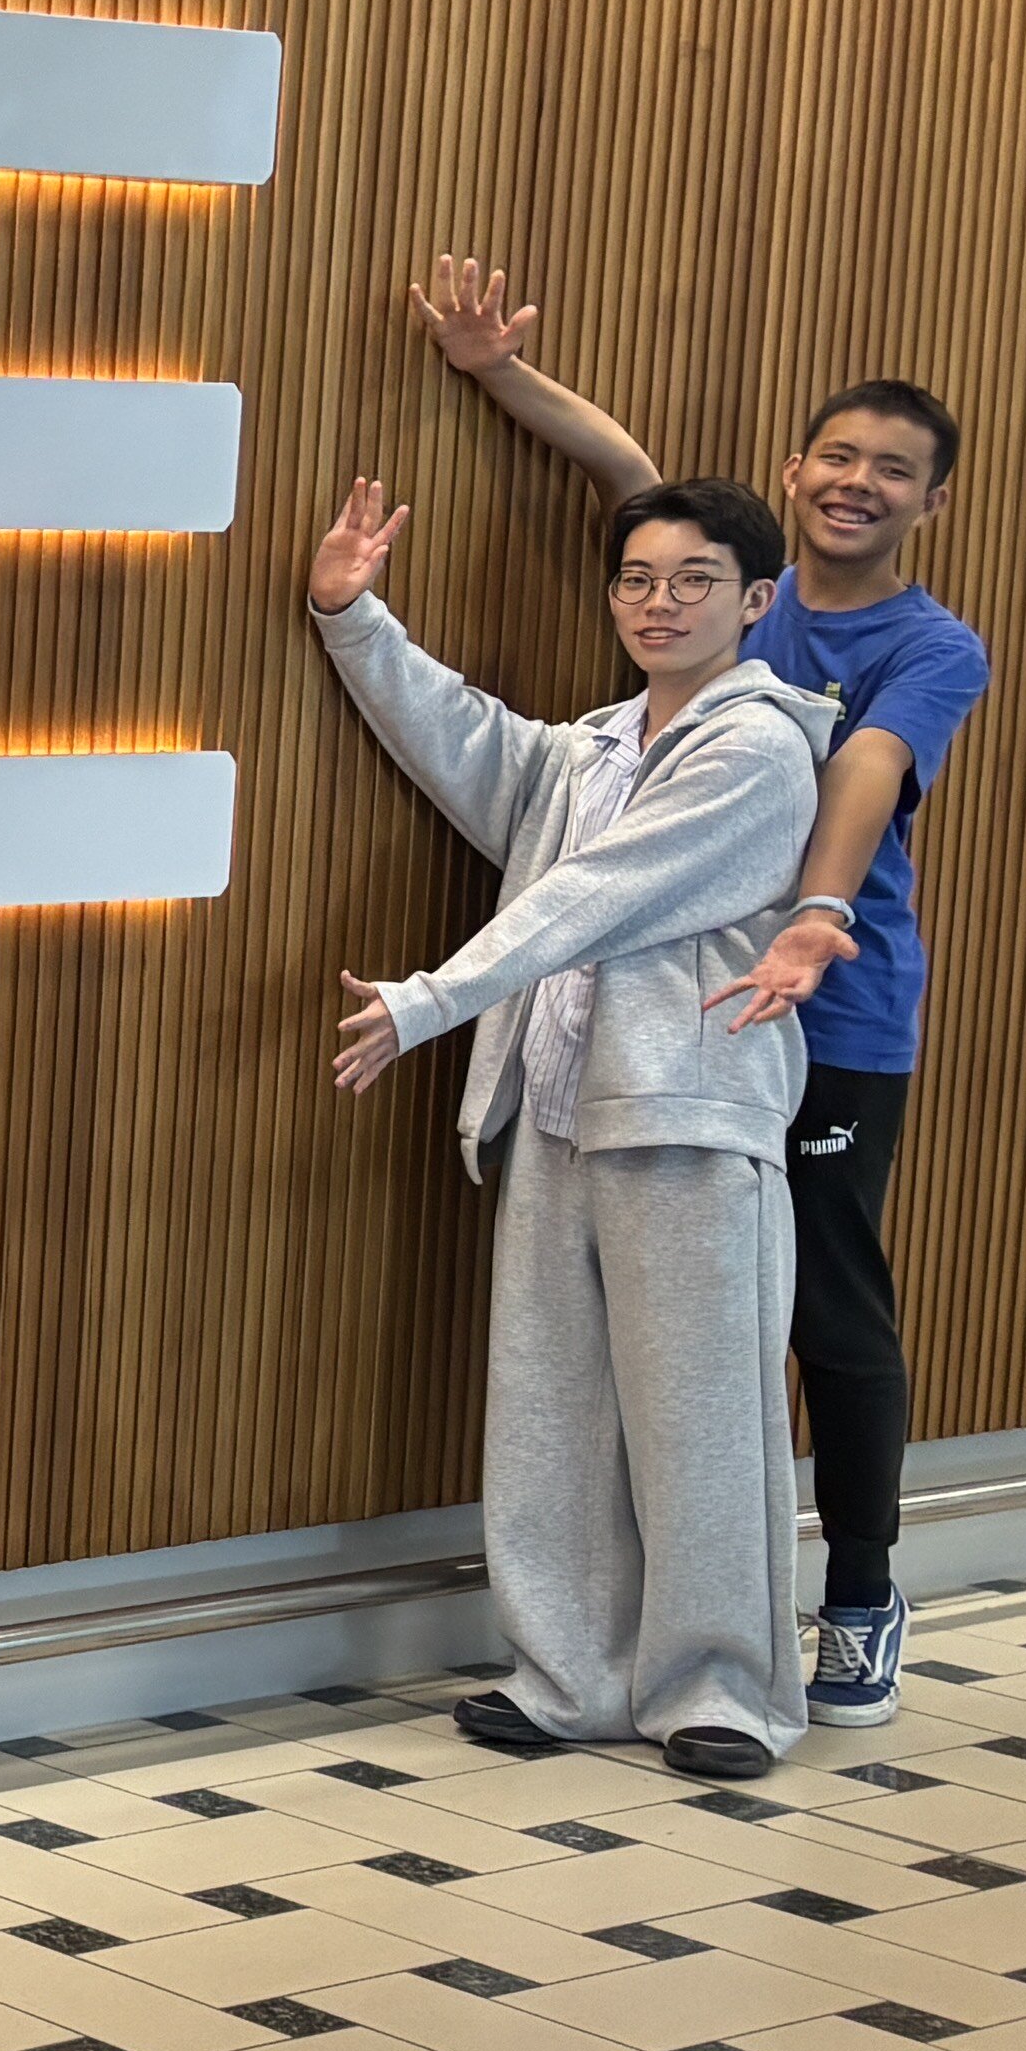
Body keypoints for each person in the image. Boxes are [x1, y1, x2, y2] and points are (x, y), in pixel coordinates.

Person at [408, 261, 990, 1724]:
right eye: (839, 456)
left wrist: (816, 915)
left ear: (931, 502)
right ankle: (592, 1657)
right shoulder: (736, 591)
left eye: (894, 472)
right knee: (627, 1350)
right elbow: (631, 475)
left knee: (819, 1314)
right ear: (796, 473)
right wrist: (493, 372)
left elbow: (863, 770)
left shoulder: (927, 647)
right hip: (670, 1029)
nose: (858, 484)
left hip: (833, 1001)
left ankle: (857, 1595)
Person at [311, 468, 839, 1783]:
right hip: (556, 1120)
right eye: (637, 581)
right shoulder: (594, 748)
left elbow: (596, 894)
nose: (661, 604)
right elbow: (471, 744)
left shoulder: (760, 747)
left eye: (695, 581)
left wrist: (430, 999)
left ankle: (725, 1691)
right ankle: (572, 1678)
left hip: (691, 1124)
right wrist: (354, 618)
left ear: (756, 601)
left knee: (702, 1423)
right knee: (550, 1414)